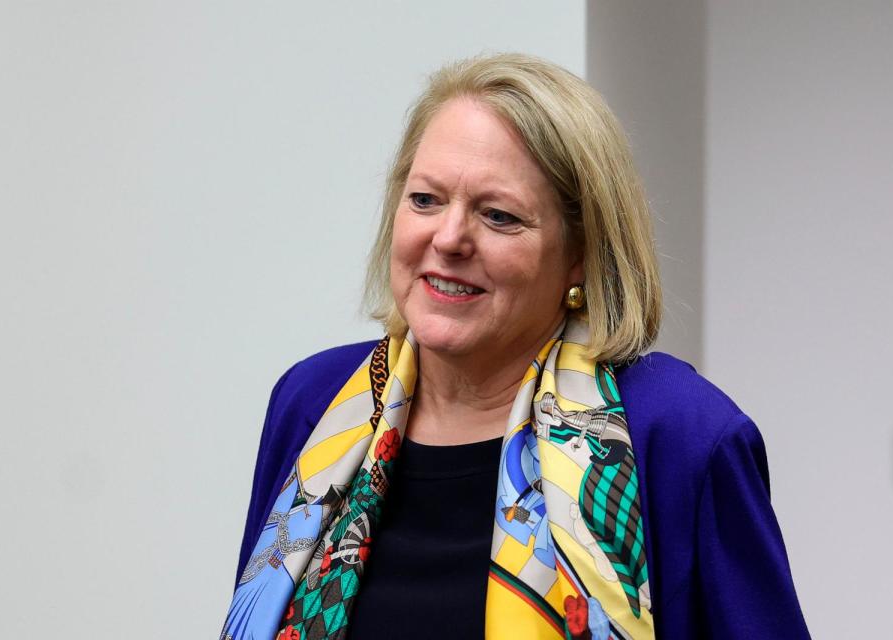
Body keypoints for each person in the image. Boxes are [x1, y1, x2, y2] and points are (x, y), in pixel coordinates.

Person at [220, 53, 810, 639]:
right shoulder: (311, 403)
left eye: (498, 216)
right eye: (425, 199)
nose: (448, 238)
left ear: (581, 252)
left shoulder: (683, 434)